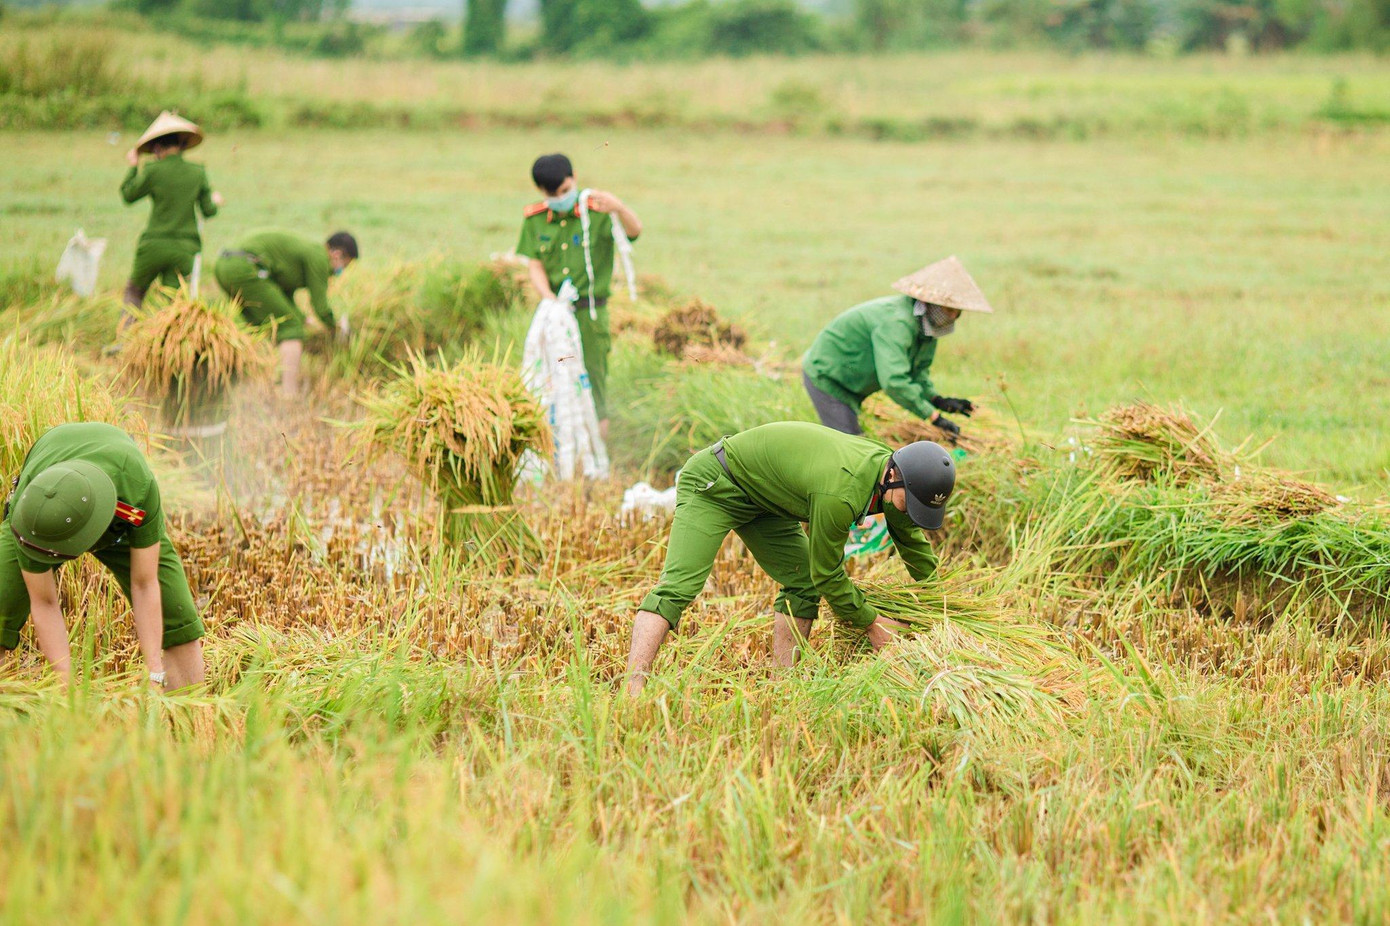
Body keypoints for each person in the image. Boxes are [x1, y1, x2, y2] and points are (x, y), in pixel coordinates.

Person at [624, 421, 956, 696]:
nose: (909, 511)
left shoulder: (892, 478)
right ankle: (633, 689)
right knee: (680, 586)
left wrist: (943, 606)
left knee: (802, 583)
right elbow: (827, 574)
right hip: (716, 483)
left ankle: (783, 686)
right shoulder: (841, 492)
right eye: (910, 502)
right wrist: (872, 623)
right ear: (894, 476)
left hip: (765, 500)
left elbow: (910, 540)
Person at [0, 423, 205, 691]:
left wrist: (154, 670)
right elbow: (44, 601)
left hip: (115, 510)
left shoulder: (135, 488)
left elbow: (145, 583)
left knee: (176, 613)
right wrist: (67, 684)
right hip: (49, 512)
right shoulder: (32, 521)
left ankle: (188, 715)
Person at [516, 153, 642, 440]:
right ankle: (557, 440)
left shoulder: (597, 211)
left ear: (572, 180)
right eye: (552, 194)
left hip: (589, 314)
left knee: (593, 376)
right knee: (553, 375)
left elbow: (634, 232)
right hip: (554, 314)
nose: (559, 198)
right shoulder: (535, 219)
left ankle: (598, 445)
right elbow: (534, 263)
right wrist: (548, 298)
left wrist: (620, 207)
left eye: (563, 191)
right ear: (541, 192)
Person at [802, 255, 994, 442]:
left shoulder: (927, 327)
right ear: (930, 304)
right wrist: (933, 416)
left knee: (857, 446)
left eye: (957, 312)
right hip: (828, 378)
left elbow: (918, 373)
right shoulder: (897, 323)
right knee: (853, 449)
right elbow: (894, 381)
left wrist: (937, 399)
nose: (952, 317)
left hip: (853, 384)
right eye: (948, 310)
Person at [213, 229, 358, 397]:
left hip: (225, 265)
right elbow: (320, 305)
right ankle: (289, 397)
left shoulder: (307, 252)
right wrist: (336, 327)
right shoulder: (319, 257)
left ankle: (247, 388)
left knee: (262, 327)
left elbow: (281, 295)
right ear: (337, 254)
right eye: (344, 265)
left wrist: (303, 318)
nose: (340, 271)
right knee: (291, 327)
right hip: (245, 267)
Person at [119, 111, 224, 315]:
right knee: (172, 305)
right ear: (182, 145)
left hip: (153, 246)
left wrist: (133, 166)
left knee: (134, 292)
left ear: (157, 147)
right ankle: (165, 344)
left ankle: (124, 339)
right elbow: (209, 211)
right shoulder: (197, 172)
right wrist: (216, 201)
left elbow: (128, 195)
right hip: (184, 249)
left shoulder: (152, 170)